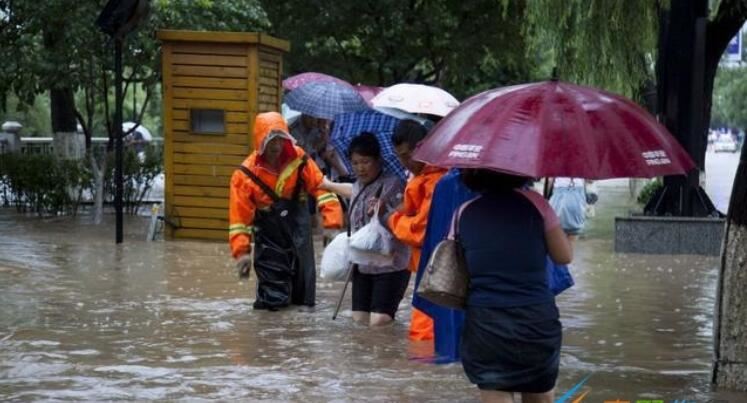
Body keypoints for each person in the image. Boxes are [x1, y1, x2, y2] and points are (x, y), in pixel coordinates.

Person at [457, 169, 572, 403]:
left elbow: (457, 270)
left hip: (485, 323)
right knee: (538, 392)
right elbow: (563, 256)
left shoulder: (464, 212)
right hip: (535, 319)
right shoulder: (538, 204)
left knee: (494, 389)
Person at [229, 112, 343, 310]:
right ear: (260, 142)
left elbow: (322, 188)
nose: (276, 146)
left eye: (280, 139)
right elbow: (240, 219)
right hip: (269, 237)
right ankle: (271, 336)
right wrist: (242, 253)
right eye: (270, 141)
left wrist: (332, 224)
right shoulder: (244, 175)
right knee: (272, 299)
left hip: (299, 230)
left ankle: (297, 336)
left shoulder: (299, 159)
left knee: (304, 296)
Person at [386, 119, 447, 341]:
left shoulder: (437, 181)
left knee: (424, 335)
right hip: (431, 269)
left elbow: (420, 232)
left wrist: (392, 220)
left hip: (436, 270)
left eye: (406, 156)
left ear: (422, 147)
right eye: (400, 157)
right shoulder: (426, 177)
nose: (405, 163)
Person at [342, 132, 410, 326]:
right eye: (355, 163)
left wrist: (383, 211)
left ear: (378, 160)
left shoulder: (395, 185)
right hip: (363, 263)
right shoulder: (356, 186)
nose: (360, 168)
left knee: (380, 321)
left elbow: (403, 222)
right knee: (359, 321)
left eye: (365, 162)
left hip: (391, 263)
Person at [548, 177, 590, 247]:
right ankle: (568, 254)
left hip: (559, 195)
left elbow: (550, 180)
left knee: (557, 231)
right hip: (577, 195)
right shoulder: (582, 166)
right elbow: (588, 180)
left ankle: (560, 254)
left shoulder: (556, 166)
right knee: (573, 235)